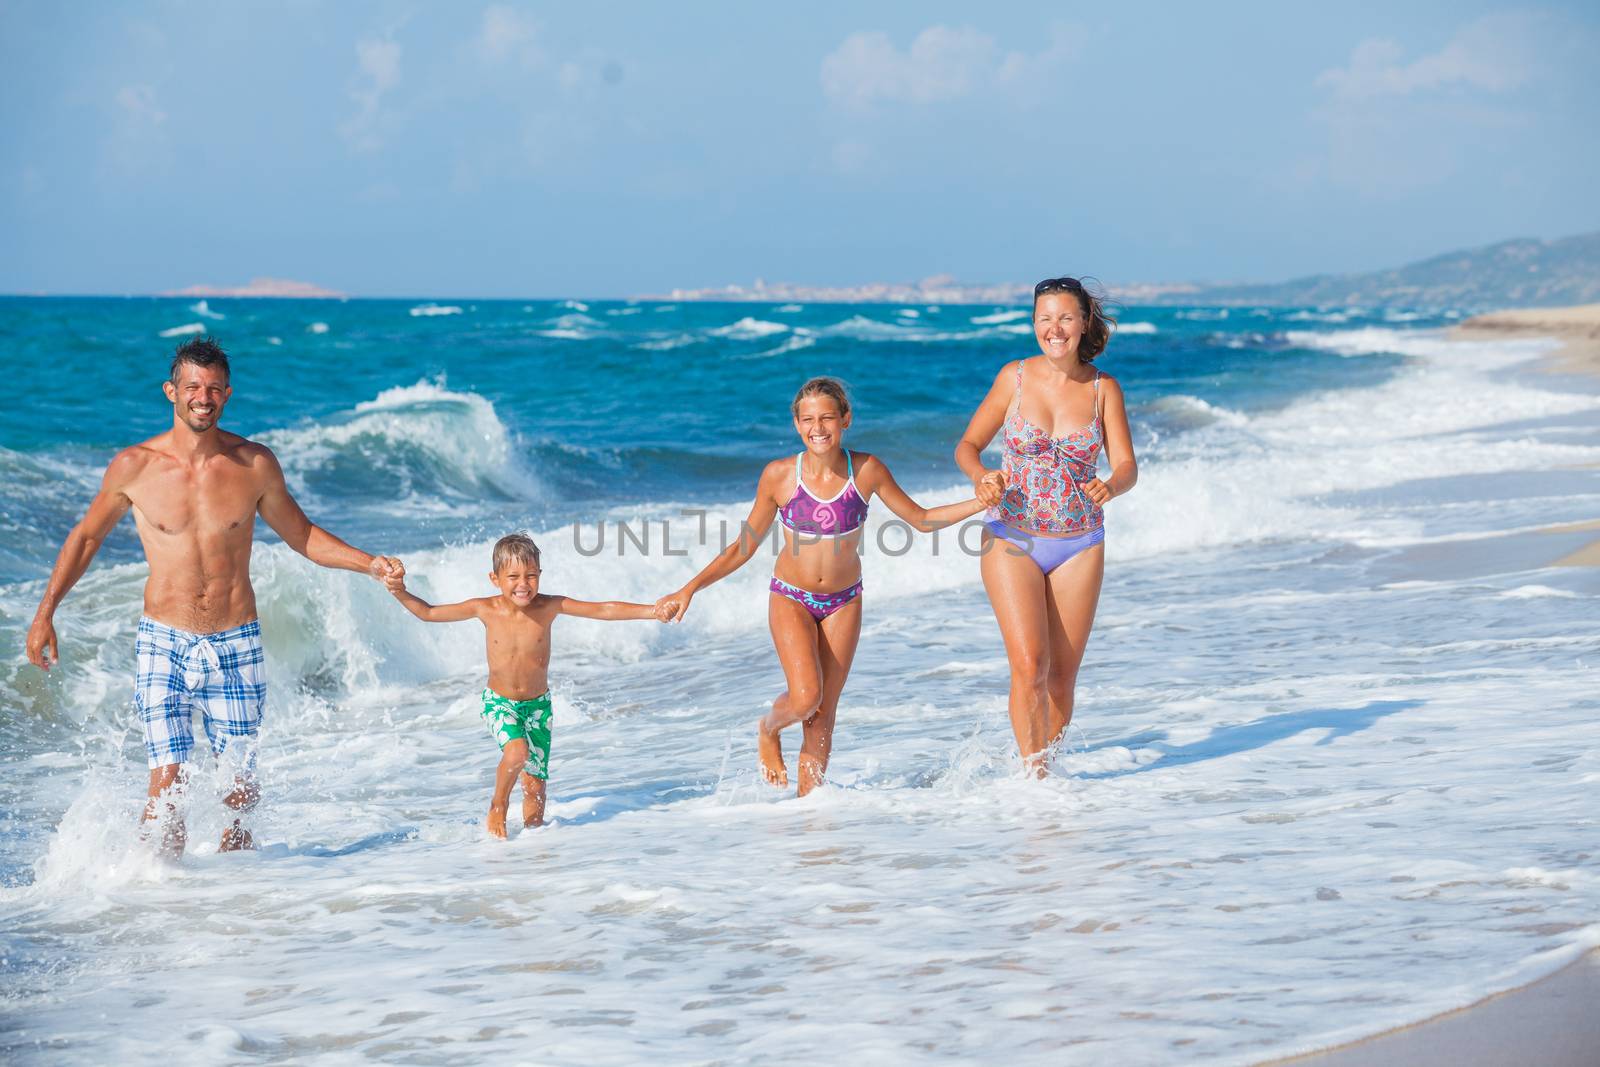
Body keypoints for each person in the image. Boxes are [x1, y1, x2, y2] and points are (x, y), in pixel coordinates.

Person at [24, 336, 403, 855]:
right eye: (192, 387)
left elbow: (303, 535)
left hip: (236, 640)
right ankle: (160, 894)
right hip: (164, 641)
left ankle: (232, 905)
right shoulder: (135, 467)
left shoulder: (253, 465)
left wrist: (370, 564)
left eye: (214, 389)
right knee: (167, 784)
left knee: (239, 794)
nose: (203, 397)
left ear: (227, 395)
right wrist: (46, 613)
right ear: (171, 391)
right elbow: (86, 538)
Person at [656, 377, 990, 796]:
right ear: (797, 425)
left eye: (828, 417)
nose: (818, 427)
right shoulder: (779, 476)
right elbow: (743, 547)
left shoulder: (866, 470)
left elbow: (921, 520)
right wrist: (690, 588)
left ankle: (808, 809)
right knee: (804, 698)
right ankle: (768, 729)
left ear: (845, 420)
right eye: (809, 419)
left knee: (823, 714)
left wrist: (982, 502)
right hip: (791, 597)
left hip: (844, 601)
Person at [955, 277, 1138, 776]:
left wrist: (1112, 486)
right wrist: (980, 476)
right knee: (1029, 667)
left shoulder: (1104, 390)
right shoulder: (1013, 377)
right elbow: (967, 446)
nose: (1053, 329)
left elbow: (1126, 466)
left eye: (1064, 318)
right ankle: (1032, 778)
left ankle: (1045, 769)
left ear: (1083, 324)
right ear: (1033, 323)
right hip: (1011, 535)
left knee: (1060, 680)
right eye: (1044, 318)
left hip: (1080, 542)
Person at [385, 533, 666, 837]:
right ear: (495, 578)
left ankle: (532, 850)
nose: (524, 584)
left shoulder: (548, 607)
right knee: (516, 753)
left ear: (540, 576)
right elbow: (428, 613)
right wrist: (399, 590)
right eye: (514, 576)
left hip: (538, 706)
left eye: (531, 575)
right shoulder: (485, 608)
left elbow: (602, 610)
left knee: (535, 790)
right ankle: (498, 804)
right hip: (499, 703)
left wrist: (652, 610)